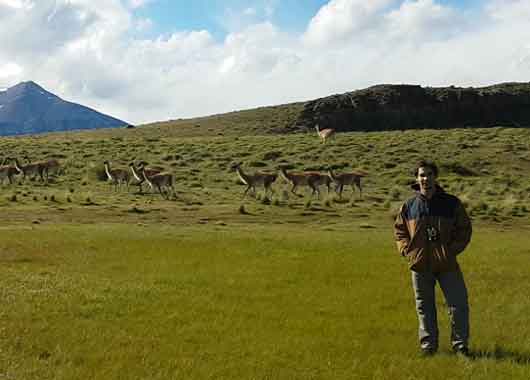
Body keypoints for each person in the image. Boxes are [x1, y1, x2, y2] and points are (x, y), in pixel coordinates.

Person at [394, 160, 472, 357]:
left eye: (429, 174)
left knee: (458, 305)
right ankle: (428, 347)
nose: (425, 178)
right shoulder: (409, 206)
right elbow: (400, 232)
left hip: (447, 265)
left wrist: (450, 251)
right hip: (419, 265)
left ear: (435, 178)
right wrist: (407, 251)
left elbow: (464, 230)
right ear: (416, 178)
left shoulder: (451, 203)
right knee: (424, 307)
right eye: (421, 174)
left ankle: (460, 346)